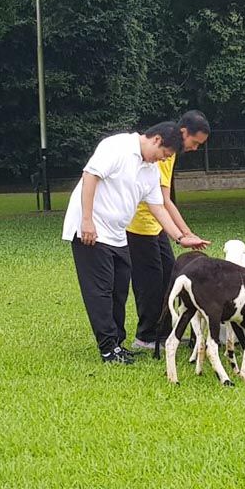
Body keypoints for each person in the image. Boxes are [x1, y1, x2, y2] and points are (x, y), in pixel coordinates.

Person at [62, 121, 210, 365]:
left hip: (118, 234)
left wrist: (180, 237)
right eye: (165, 154)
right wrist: (86, 221)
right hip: (92, 232)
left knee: (119, 290)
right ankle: (108, 349)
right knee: (100, 291)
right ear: (157, 140)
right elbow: (90, 176)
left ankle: (117, 344)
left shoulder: (150, 169)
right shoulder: (118, 146)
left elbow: (157, 207)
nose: (164, 160)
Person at [126, 110, 211, 350]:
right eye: (195, 142)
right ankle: (145, 337)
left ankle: (163, 334)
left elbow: (165, 200)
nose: (194, 148)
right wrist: (184, 234)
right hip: (139, 226)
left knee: (170, 277)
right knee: (150, 283)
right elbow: (163, 201)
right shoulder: (163, 151)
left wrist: (186, 234)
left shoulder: (170, 154)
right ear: (183, 132)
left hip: (157, 226)